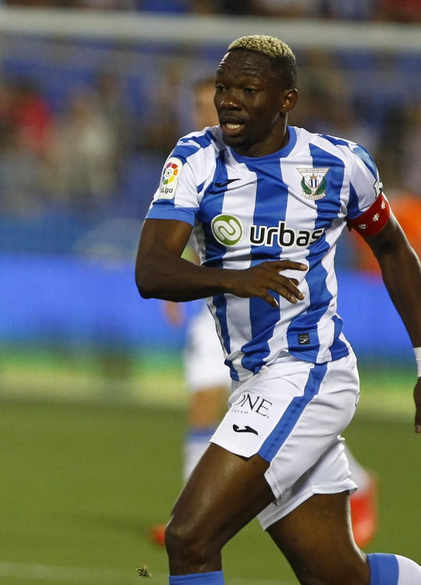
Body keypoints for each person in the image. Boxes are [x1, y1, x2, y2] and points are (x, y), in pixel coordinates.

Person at [68, 35, 421, 585]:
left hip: (310, 373)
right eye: (223, 88)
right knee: (337, 581)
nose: (229, 101)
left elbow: (393, 249)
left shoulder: (338, 165)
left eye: (247, 89)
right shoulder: (195, 158)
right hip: (259, 380)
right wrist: (234, 278)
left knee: (190, 535)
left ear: (285, 100)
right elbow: (151, 269)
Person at [150, 78, 377, 548]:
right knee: (210, 398)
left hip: (275, 313)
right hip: (220, 307)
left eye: (210, 104)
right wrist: (178, 283)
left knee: (273, 413)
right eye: (199, 105)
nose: (206, 113)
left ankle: (195, 515)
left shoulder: (275, 161)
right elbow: (196, 231)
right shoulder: (195, 159)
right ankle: (191, 512)